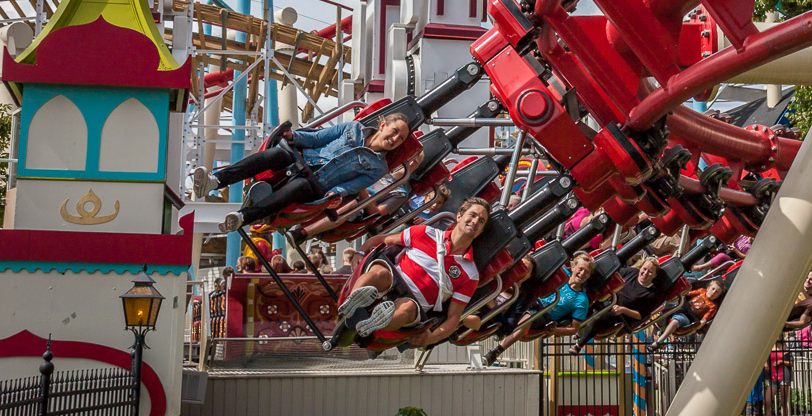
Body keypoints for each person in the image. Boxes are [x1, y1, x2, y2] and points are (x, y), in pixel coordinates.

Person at [193, 114, 411, 233]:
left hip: (318, 184)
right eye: (394, 132)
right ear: (382, 125)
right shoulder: (352, 129)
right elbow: (317, 138)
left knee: (299, 187)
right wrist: (292, 136)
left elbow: (353, 185)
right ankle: (214, 181)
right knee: (276, 155)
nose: (395, 139)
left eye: (400, 139)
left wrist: (333, 194)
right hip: (306, 158)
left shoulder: (378, 166)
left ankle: (244, 217)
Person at [332, 197, 490, 349]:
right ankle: (351, 304)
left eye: (481, 221)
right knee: (380, 273)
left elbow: (453, 318)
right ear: (459, 216)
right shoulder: (426, 233)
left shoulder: (470, 273)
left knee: (406, 309)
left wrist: (431, 338)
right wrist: (360, 252)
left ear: (481, 231)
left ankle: (372, 323)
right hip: (396, 277)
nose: (475, 221)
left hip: (416, 301)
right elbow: (382, 240)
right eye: (472, 215)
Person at [484, 253, 594, 366]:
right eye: (580, 269)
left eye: (586, 272)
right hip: (532, 301)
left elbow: (574, 329)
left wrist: (556, 331)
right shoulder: (561, 275)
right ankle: (492, 323)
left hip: (544, 315)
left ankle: (497, 351)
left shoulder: (581, 300)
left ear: (589, 276)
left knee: (529, 318)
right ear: (573, 267)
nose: (582, 273)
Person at [572, 257, 665, 353]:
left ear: (654, 275)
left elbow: (640, 315)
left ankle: (578, 346)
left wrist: (623, 310)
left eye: (650, 272)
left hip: (619, 315)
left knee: (598, 319)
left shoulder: (652, 294)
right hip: (607, 301)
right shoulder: (631, 272)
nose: (645, 273)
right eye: (644, 269)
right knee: (587, 303)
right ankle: (573, 326)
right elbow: (614, 274)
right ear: (641, 267)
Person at [649, 279, 724, 350]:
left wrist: (697, 326)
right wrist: (680, 294)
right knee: (669, 302)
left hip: (688, 316)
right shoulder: (702, 291)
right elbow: (688, 294)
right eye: (713, 289)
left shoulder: (712, 306)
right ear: (708, 288)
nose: (713, 292)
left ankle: (658, 342)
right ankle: (650, 314)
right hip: (682, 306)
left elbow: (704, 319)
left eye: (717, 292)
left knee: (676, 321)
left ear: (718, 296)